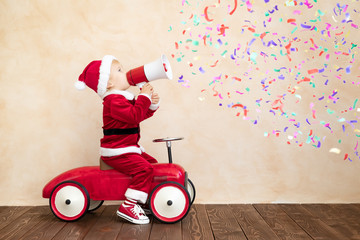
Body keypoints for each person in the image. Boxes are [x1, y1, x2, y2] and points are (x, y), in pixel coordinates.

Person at [76, 55, 160, 224]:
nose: (125, 72)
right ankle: (128, 206)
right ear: (108, 83)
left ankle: (141, 201)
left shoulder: (121, 99)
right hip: (117, 151)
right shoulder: (113, 101)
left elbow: (140, 113)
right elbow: (134, 116)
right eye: (119, 70)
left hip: (127, 148)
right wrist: (143, 97)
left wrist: (151, 103)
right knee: (145, 169)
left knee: (153, 164)